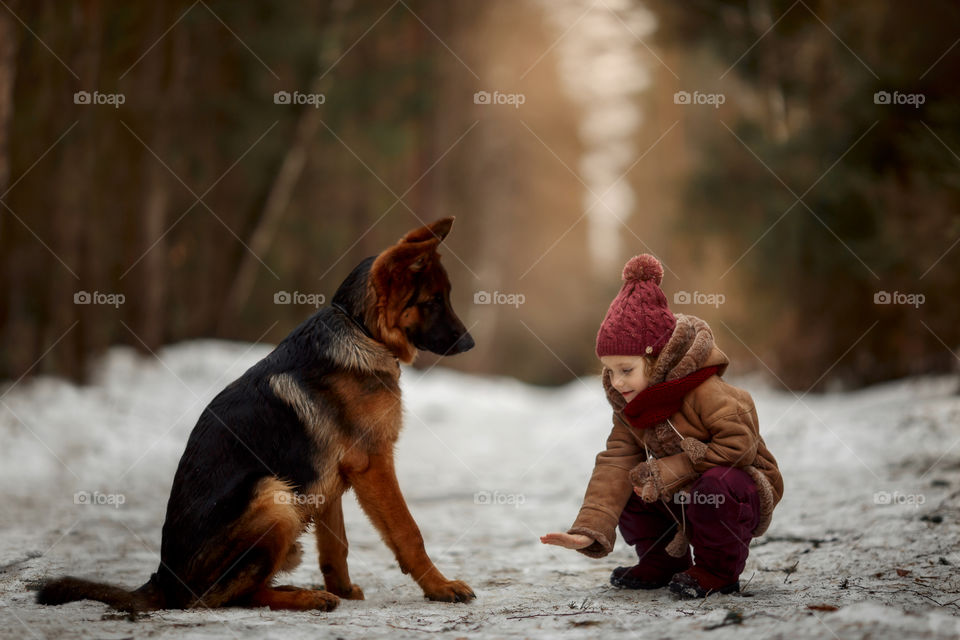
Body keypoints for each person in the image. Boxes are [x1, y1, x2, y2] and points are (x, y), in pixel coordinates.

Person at [541, 254, 783, 598]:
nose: (617, 381)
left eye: (626, 370)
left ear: (657, 359)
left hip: (739, 489)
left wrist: (669, 471)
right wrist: (590, 529)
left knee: (714, 486)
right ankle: (663, 562)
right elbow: (615, 462)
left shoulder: (708, 391)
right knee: (631, 481)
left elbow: (739, 449)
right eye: (610, 371)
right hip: (682, 493)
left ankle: (717, 570)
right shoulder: (632, 406)